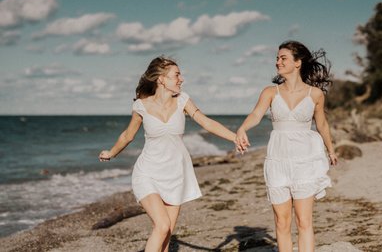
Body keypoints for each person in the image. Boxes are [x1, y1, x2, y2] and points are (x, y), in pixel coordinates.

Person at [99, 56, 236, 252]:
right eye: (177, 75)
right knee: (162, 226)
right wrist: (111, 152)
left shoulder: (183, 100)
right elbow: (128, 135)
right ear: (161, 79)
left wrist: (235, 137)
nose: (181, 79)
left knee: (166, 233)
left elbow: (206, 122)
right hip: (147, 173)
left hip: (176, 174)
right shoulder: (141, 105)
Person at [236, 41, 338, 252]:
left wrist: (331, 150)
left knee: (304, 221)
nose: (277, 62)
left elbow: (322, 124)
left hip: (305, 162)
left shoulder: (315, 94)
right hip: (278, 162)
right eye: (277, 58)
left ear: (298, 63)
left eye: (283, 58)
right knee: (282, 223)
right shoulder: (270, 92)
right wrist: (242, 129)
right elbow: (256, 115)